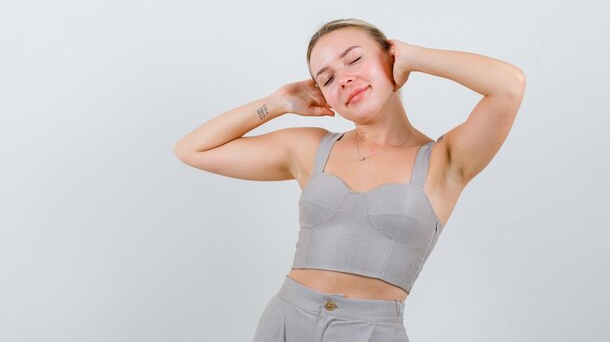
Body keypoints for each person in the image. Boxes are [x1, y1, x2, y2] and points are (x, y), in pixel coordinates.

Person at [173, 18, 526, 341]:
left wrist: (413, 56)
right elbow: (192, 150)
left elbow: (509, 85)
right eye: (326, 78)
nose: (343, 78)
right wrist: (277, 103)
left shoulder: (444, 161)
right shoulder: (311, 149)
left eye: (355, 59)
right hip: (285, 322)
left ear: (390, 58)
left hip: (372, 331)